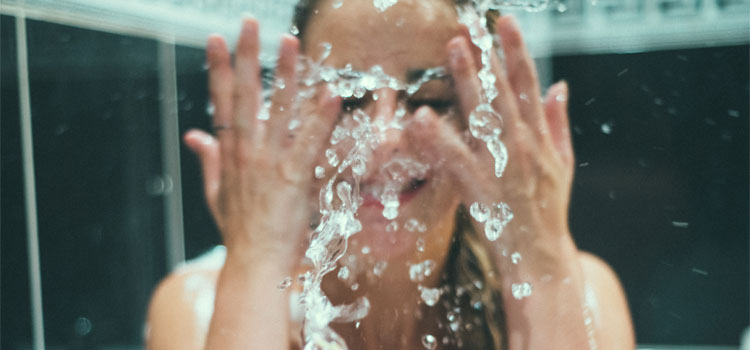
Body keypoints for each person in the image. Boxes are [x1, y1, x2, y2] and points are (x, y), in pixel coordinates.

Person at [146, 0, 635, 349]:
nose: (383, 137)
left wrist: (540, 263)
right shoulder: (200, 307)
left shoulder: (581, 295)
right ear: (295, 117)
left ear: (484, 122)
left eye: (432, 100)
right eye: (349, 99)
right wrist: (257, 262)